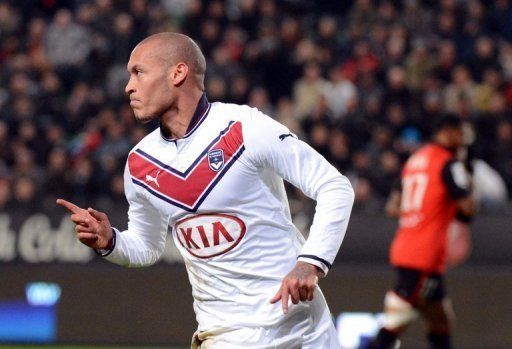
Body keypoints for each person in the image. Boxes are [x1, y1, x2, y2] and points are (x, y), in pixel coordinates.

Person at [56, 32, 355, 348]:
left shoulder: (243, 128)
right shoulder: (140, 163)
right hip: (227, 335)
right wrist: (111, 241)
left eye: (138, 72)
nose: (128, 86)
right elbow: (147, 245)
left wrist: (310, 263)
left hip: (301, 328)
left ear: (178, 73)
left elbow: (334, 186)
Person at [368, 116, 476, 349]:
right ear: (447, 132)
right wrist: (469, 178)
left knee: (441, 319)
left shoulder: (414, 161)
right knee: (395, 322)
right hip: (424, 257)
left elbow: (392, 208)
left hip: (406, 247)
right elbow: (467, 209)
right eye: (459, 133)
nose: (462, 140)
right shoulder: (450, 163)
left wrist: (419, 214)